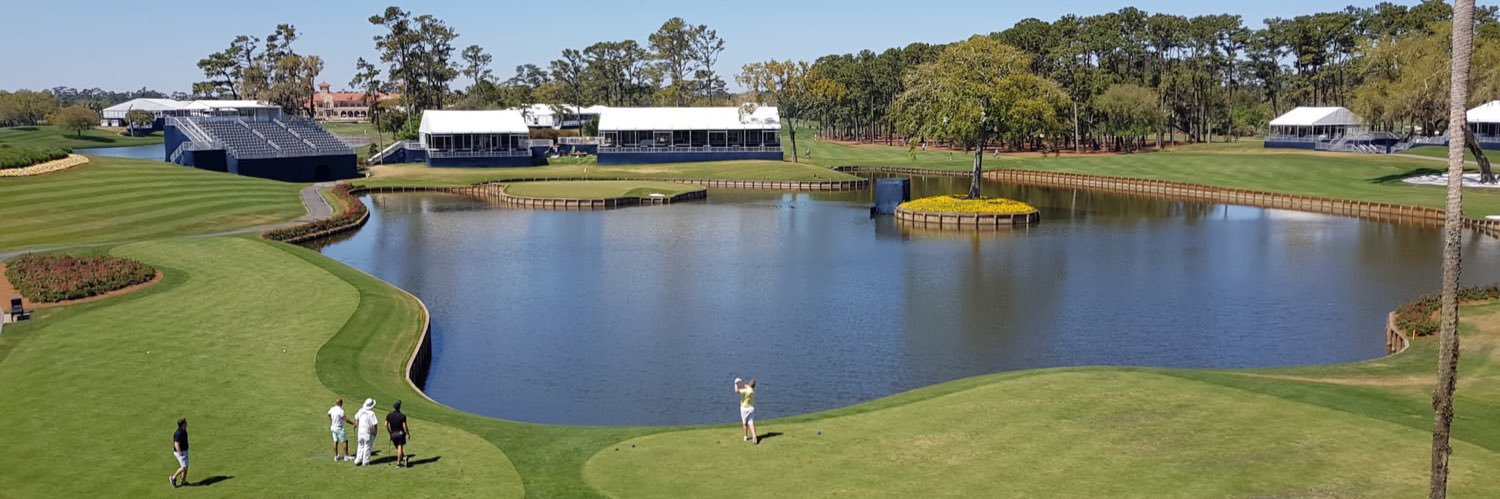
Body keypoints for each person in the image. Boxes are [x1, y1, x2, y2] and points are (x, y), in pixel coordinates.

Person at [386, 400, 411, 468]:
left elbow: (385, 424)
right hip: (400, 434)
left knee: (398, 448)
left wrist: (390, 432)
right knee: (400, 447)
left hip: (393, 434)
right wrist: (407, 434)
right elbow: (405, 426)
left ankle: (404, 458)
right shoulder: (402, 416)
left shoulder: (389, 415)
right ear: (399, 407)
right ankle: (398, 463)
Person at [353, 399, 379, 466]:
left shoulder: (361, 410)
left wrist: (356, 423)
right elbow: (375, 423)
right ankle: (365, 461)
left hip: (360, 431)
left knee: (360, 446)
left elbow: (356, 417)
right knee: (367, 446)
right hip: (367, 432)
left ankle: (358, 460)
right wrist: (375, 432)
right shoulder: (371, 413)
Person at [734, 378, 759, 444]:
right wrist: (741, 382)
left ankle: (745, 437)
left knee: (745, 423)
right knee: (751, 423)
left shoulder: (745, 390)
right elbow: (746, 385)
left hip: (744, 409)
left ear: (749, 384)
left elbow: (736, 391)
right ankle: (754, 437)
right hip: (751, 408)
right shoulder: (752, 390)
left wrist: (736, 383)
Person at [169, 418, 189, 488]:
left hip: (185, 451)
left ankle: (183, 481)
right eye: (185, 422)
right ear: (183, 424)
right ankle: (173, 478)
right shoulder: (178, 433)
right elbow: (176, 444)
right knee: (184, 467)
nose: (187, 423)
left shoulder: (184, 430)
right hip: (180, 452)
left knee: (186, 467)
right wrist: (181, 454)